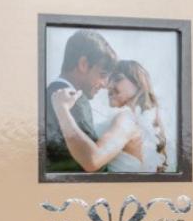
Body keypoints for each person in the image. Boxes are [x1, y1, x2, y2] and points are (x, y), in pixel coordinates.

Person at [50, 59, 169, 174]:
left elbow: (93, 160)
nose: (109, 86)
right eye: (108, 80)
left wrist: (61, 109)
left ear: (138, 84)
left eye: (117, 78)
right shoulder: (140, 123)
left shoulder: (127, 119)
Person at [44, 30, 118, 172]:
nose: (104, 85)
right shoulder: (75, 100)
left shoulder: (46, 94)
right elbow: (96, 166)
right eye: (102, 75)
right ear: (83, 64)